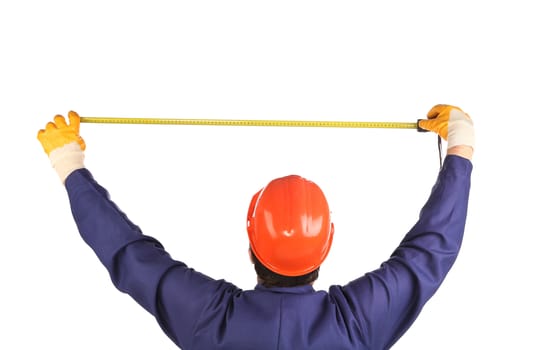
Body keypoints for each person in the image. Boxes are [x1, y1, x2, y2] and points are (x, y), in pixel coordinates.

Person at [37, 104, 474, 350]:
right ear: (327, 247)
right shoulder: (357, 325)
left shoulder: (210, 321)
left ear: (250, 243)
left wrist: (68, 164)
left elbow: (129, 254)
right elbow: (429, 254)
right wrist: (460, 143)